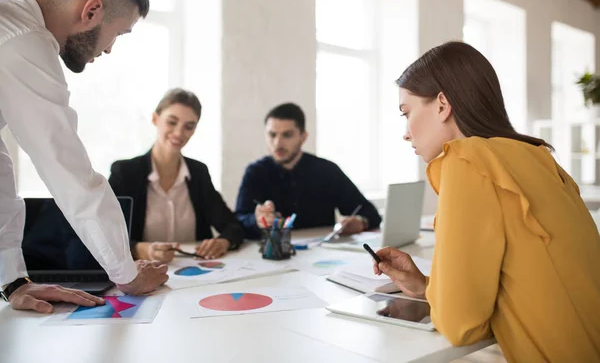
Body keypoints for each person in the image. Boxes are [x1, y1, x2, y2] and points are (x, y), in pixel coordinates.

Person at [372, 41, 600, 362]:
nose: (406, 133)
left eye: (407, 113)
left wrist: (441, 297)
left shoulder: (465, 162)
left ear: (441, 105)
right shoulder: (538, 157)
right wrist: (425, 285)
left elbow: (461, 325)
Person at [0, 0, 168, 314]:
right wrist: (126, 274)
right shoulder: (23, 41)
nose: (108, 50)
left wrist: (13, 281)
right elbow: (67, 171)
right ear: (91, 11)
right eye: (119, 34)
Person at [109, 88, 244, 263]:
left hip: (196, 275)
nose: (179, 133)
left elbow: (233, 226)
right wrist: (139, 249)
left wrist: (224, 242)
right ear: (155, 119)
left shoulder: (198, 172)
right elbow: (104, 234)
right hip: (142, 274)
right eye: (172, 122)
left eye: (189, 126)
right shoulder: (125, 173)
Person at [235, 103, 381, 239]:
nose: (278, 143)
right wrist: (256, 221)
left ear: (303, 137)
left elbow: (370, 213)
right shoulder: (255, 172)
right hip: (271, 255)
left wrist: (361, 222)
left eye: (287, 135)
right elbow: (238, 221)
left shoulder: (327, 171)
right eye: (272, 135)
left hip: (322, 255)